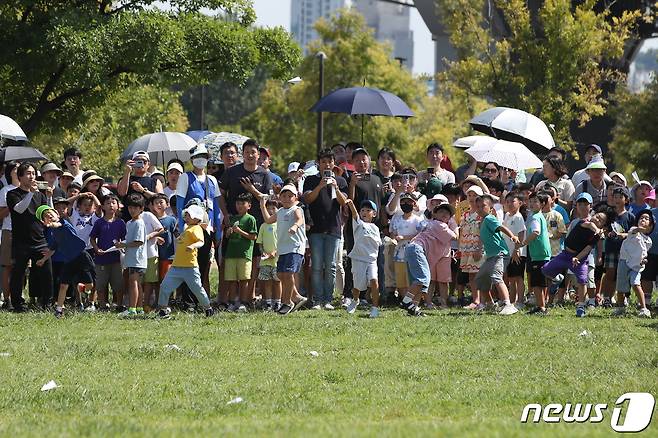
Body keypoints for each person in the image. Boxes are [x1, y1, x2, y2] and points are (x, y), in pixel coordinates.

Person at [542, 202, 614, 317]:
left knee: (582, 280)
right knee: (545, 270)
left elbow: (587, 249)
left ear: (604, 226)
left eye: (600, 220)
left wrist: (577, 258)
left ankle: (581, 306)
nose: (596, 219)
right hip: (565, 254)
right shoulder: (584, 222)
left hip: (579, 259)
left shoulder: (596, 238)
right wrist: (597, 230)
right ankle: (557, 279)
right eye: (596, 216)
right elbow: (591, 226)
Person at [303, 148, 348, 310]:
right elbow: (307, 199)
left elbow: (344, 203)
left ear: (334, 163)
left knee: (331, 266)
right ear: (318, 164)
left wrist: (335, 187)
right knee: (316, 266)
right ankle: (317, 299)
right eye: (323, 162)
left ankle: (328, 299)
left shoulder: (341, 181)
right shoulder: (310, 180)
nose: (327, 165)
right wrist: (320, 186)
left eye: (329, 161)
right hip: (315, 229)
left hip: (334, 229)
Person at [175, 144, 222, 296]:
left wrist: (217, 230)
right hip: (190, 229)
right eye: (197, 157)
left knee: (203, 264)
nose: (200, 160)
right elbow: (180, 203)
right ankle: (187, 299)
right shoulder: (185, 177)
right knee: (189, 264)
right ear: (192, 159)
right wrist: (182, 226)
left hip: (206, 228)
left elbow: (215, 206)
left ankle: (199, 299)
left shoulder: (212, 180)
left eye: (203, 157)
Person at [6, 163, 53, 311]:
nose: (31, 176)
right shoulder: (13, 194)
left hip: (39, 239)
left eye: (33, 173)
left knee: (46, 273)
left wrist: (49, 198)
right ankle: (18, 304)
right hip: (21, 242)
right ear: (20, 177)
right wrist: (31, 193)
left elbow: (47, 214)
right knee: (18, 274)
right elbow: (19, 209)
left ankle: (47, 303)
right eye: (27, 173)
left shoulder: (40, 195)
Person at [157, 204, 214, 319]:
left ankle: (208, 308)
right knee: (164, 286)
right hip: (176, 266)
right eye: (186, 214)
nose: (186, 217)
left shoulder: (196, 228)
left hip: (190, 267)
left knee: (197, 289)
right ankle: (163, 310)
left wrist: (193, 246)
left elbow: (200, 242)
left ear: (197, 218)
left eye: (189, 215)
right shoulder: (187, 228)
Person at [37, 206, 95, 317]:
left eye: (50, 213)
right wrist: (43, 259)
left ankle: (81, 288)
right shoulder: (54, 234)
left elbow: (57, 224)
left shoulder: (63, 222)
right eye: (45, 216)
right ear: (43, 221)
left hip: (81, 256)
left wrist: (51, 224)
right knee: (63, 285)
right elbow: (52, 249)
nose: (49, 216)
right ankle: (59, 310)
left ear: (57, 215)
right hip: (69, 260)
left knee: (90, 285)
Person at [259, 184, 308, 315]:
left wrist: (295, 227)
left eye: (290, 196)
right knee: (281, 274)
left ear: (295, 198)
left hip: (295, 247)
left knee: (288, 273)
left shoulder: (296, 209)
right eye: (284, 196)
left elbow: (300, 220)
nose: (287, 198)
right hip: (283, 248)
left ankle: (287, 302)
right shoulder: (280, 211)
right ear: (280, 197)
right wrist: (262, 206)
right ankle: (296, 297)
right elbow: (268, 220)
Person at [472, 194, 520, 315]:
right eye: (477, 206)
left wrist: (512, 236)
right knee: (481, 279)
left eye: (483, 206)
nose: (479, 208)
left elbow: (501, 227)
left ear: (491, 208)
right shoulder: (482, 222)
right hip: (491, 257)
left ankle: (508, 304)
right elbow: (483, 238)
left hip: (500, 254)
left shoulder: (489, 218)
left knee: (496, 276)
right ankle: (489, 304)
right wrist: (479, 249)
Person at [344, 199, 382, 318]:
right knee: (357, 286)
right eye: (363, 210)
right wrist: (351, 205)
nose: (365, 212)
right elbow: (354, 214)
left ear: (374, 214)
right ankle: (355, 300)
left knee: (374, 281)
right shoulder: (359, 224)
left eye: (368, 210)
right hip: (358, 259)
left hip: (371, 260)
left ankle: (375, 308)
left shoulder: (375, 228)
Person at [613, 210, 654, 318]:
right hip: (624, 261)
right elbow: (635, 229)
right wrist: (639, 228)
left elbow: (644, 252)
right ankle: (620, 308)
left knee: (636, 284)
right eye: (641, 218)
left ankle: (644, 308)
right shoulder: (633, 231)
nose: (643, 219)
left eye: (646, 219)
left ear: (650, 226)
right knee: (621, 287)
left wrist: (644, 260)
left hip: (636, 266)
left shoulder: (649, 241)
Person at [89, 194, 126, 311]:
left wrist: (121, 246)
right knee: (100, 284)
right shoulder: (99, 223)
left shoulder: (120, 223)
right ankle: (102, 305)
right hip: (101, 259)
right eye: (108, 203)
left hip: (116, 259)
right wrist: (96, 249)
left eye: (113, 203)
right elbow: (92, 238)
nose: (111, 205)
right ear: (103, 207)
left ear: (118, 206)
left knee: (118, 284)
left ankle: (119, 305)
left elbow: (125, 239)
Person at [600, 186, 634, 308]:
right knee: (609, 274)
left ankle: (623, 297)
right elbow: (604, 229)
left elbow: (633, 233)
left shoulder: (630, 216)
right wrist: (607, 233)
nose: (618, 199)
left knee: (623, 275)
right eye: (615, 197)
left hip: (624, 250)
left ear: (626, 199)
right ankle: (607, 298)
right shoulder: (609, 214)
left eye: (621, 197)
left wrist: (622, 235)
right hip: (610, 248)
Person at [115, 193, 148, 317]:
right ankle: (139, 308)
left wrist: (124, 245)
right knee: (136, 283)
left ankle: (132, 309)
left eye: (135, 207)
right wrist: (121, 244)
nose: (132, 210)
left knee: (133, 282)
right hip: (131, 258)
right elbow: (130, 240)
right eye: (130, 207)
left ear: (141, 209)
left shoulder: (139, 223)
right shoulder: (129, 223)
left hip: (137, 259)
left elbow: (138, 242)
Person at [224, 193, 258, 312]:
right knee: (232, 280)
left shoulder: (250, 219)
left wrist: (240, 231)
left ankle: (243, 302)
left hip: (244, 254)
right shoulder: (233, 218)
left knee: (244, 279)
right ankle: (232, 302)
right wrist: (228, 232)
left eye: (243, 203)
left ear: (249, 205)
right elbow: (228, 236)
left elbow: (253, 237)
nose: (240, 206)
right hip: (231, 254)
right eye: (238, 203)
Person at [519, 193, 552, 314]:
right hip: (542, 253)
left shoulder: (535, 217)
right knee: (541, 282)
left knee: (536, 283)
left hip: (538, 254)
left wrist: (524, 243)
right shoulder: (538, 215)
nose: (532, 204)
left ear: (542, 204)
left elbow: (536, 232)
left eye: (535, 201)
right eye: (530, 201)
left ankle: (541, 307)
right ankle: (542, 305)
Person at [389, 193, 423, 304]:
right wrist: (394, 239)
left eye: (408, 202)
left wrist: (404, 237)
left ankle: (413, 301)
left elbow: (420, 235)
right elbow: (393, 233)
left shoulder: (418, 220)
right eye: (403, 202)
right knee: (401, 279)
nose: (405, 204)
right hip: (399, 253)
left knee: (412, 277)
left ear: (414, 203)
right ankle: (405, 301)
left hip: (413, 252)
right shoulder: (396, 219)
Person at [427, 203, 458, 309]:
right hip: (433, 255)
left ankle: (434, 303)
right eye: (441, 211)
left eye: (447, 212)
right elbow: (454, 236)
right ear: (434, 214)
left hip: (444, 255)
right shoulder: (438, 224)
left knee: (442, 281)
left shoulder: (432, 224)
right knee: (432, 280)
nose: (444, 214)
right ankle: (434, 303)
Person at [117, 150, 163, 222]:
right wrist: (127, 171)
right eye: (137, 161)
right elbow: (122, 193)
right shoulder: (125, 179)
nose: (141, 164)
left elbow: (161, 199)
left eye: (144, 161)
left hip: (148, 219)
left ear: (148, 164)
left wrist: (143, 191)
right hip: (128, 218)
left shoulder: (155, 181)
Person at [150, 194, 177, 310]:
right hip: (154, 255)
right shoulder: (151, 219)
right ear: (152, 206)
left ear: (167, 204)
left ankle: (169, 302)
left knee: (167, 280)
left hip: (168, 255)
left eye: (161, 202)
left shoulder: (171, 219)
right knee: (156, 280)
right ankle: (158, 301)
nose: (159, 205)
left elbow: (177, 234)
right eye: (156, 203)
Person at [502, 192, 527, 307]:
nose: (510, 204)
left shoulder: (518, 217)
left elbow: (521, 234)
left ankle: (520, 300)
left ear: (520, 203)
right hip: (508, 252)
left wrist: (517, 250)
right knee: (511, 278)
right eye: (507, 201)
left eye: (513, 201)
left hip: (517, 252)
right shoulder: (507, 215)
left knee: (518, 277)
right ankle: (512, 301)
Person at [256, 199, 282, 311]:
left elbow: (282, 242)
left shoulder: (281, 225)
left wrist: (275, 253)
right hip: (265, 260)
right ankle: (268, 302)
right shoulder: (263, 226)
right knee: (266, 282)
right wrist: (263, 253)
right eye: (268, 208)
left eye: (273, 208)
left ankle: (278, 302)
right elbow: (260, 242)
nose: (271, 211)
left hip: (277, 259)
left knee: (277, 281)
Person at [0, 161, 19, 309]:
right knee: (7, 266)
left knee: (22, 267)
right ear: (10, 172)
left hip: (25, 232)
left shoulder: (29, 189)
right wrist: (11, 206)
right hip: (9, 230)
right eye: (15, 168)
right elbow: (1, 215)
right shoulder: (5, 190)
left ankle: (18, 296)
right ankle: (7, 299)